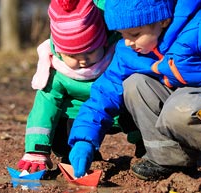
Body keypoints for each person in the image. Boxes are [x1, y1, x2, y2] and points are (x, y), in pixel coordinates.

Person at [67, 0, 201, 189]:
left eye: (134, 34)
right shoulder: (129, 51)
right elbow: (103, 94)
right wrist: (84, 138)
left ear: (162, 20)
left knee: (179, 107)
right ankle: (169, 158)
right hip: (183, 99)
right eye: (122, 35)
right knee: (134, 84)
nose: (128, 43)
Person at [16, 0, 145, 173]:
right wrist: (36, 150)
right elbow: (43, 109)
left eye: (91, 51)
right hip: (76, 115)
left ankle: (145, 146)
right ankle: (74, 154)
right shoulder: (57, 71)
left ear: (104, 42)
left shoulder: (117, 54)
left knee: (137, 99)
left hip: (118, 110)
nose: (83, 60)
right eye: (73, 55)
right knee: (64, 140)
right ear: (59, 52)